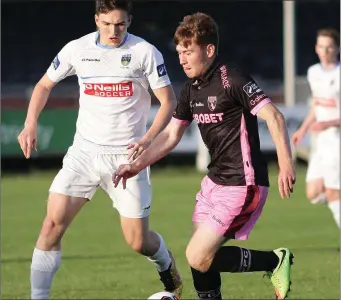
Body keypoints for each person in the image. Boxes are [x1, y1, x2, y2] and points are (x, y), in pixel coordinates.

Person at [113, 12, 296, 300]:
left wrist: (286, 166)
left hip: (243, 182)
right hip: (214, 183)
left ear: (208, 50)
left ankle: (275, 261)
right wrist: (135, 166)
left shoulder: (232, 79)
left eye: (188, 52)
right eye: (179, 53)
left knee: (197, 256)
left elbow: (274, 117)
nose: (182, 59)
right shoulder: (190, 90)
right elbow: (171, 136)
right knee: (201, 261)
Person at [17, 0, 183, 299]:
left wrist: (147, 139)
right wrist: (30, 123)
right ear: (96, 20)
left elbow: (169, 102)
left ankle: (165, 262)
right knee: (51, 224)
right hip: (84, 153)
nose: (113, 31)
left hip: (128, 157)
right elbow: (43, 86)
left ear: (129, 20)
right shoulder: (77, 50)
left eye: (120, 24)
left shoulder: (144, 53)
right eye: (107, 24)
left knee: (137, 241)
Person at [292, 28, 340, 229]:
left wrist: (327, 124)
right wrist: (303, 129)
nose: (325, 50)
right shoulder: (313, 72)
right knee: (313, 192)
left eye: (329, 47)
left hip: (337, 139)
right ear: (316, 48)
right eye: (321, 46)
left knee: (332, 191)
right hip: (320, 142)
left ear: (337, 49)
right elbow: (316, 106)